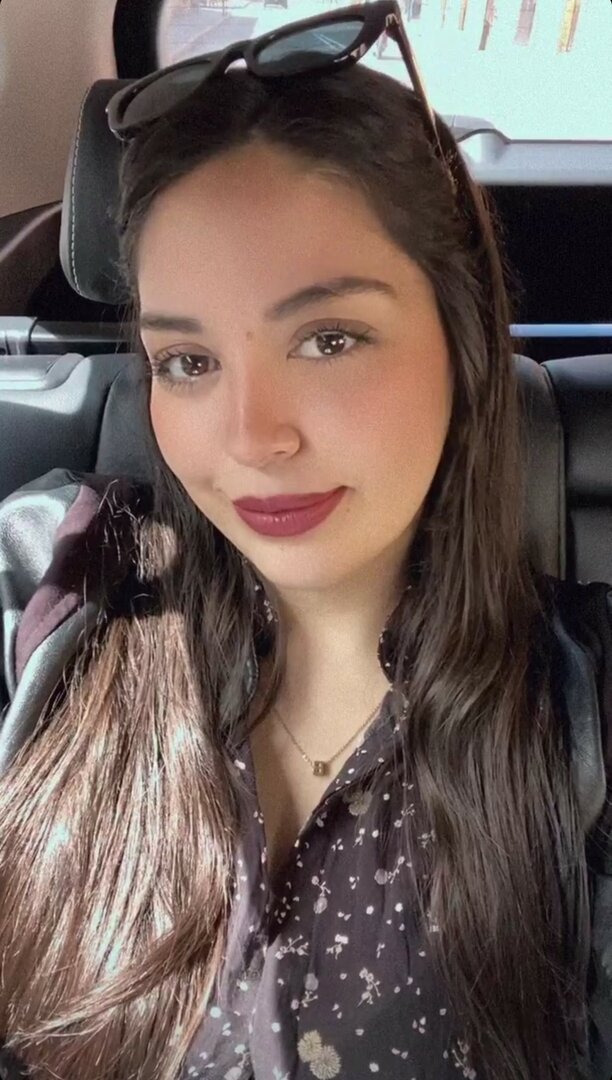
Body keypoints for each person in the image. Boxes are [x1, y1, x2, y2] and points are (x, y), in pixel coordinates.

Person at [0, 4, 610, 1080]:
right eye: (189, 362)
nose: (252, 439)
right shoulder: (52, 588)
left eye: (329, 339)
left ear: (461, 340)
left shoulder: (580, 704)